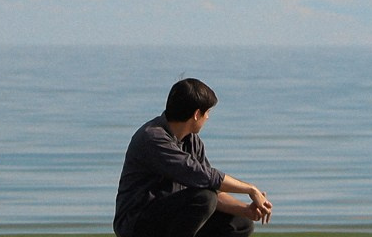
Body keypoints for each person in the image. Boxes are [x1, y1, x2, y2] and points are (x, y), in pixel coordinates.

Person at [114, 77, 274, 237]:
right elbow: (203, 177)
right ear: (197, 114)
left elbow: (209, 187)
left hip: (172, 217)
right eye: (208, 112)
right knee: (204, 199)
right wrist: (250, 189)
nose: (208, 118)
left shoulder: (192, 140)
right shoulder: (153, 138)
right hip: (136, 223)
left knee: (240, 223)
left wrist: (245, 210)